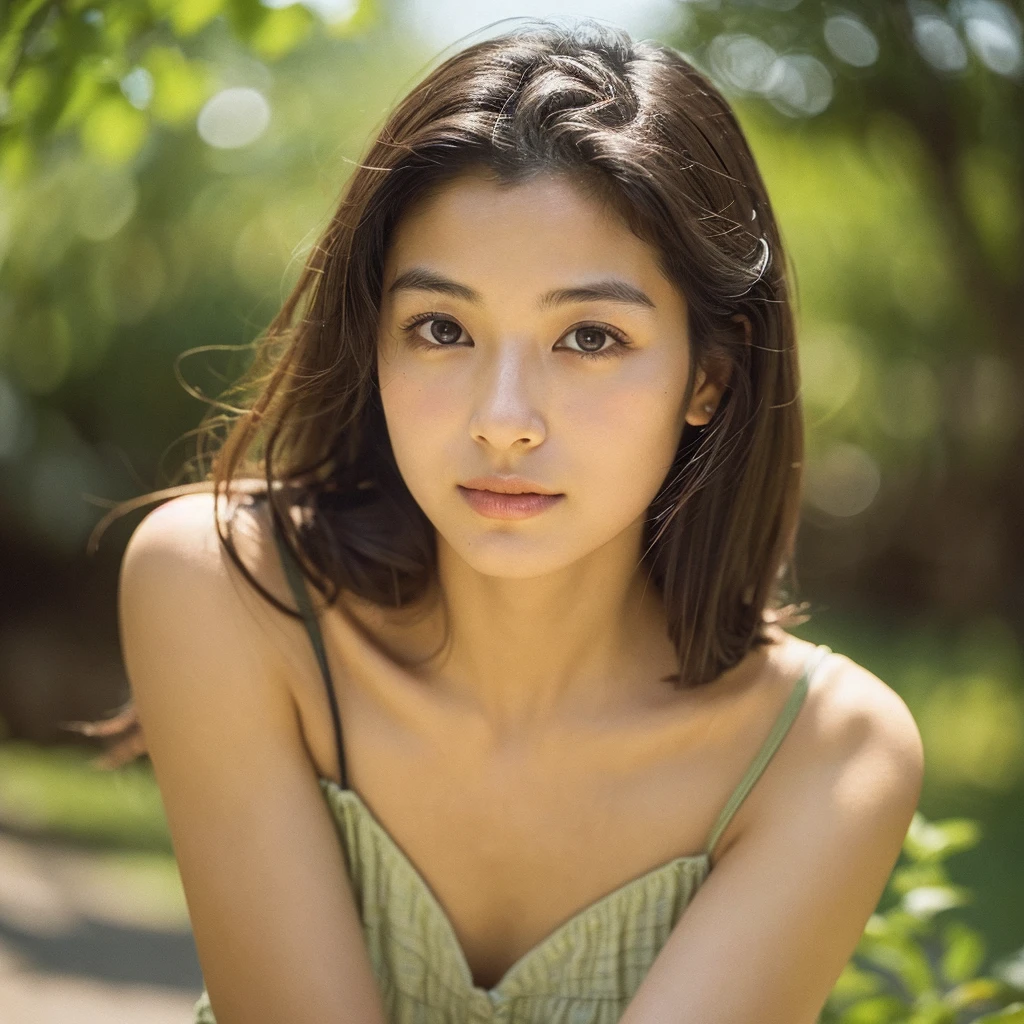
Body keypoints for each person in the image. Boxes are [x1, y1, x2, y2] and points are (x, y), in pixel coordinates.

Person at [111, 19, 925, 1024]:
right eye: (441, 329)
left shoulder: (823, 753)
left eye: (589, 336)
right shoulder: (225, 593)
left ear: (708, 374)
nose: (502, 421)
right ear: (377, 340)